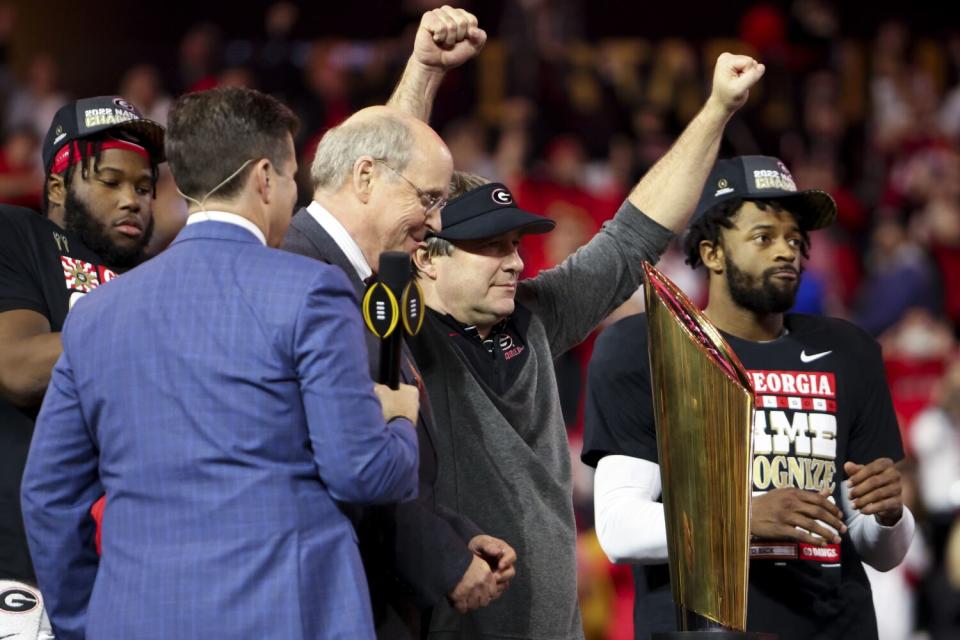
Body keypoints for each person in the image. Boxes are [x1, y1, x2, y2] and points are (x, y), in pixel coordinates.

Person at [20, 86, 421, 640]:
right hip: (288, 615)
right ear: (264, 177)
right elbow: (362, 472)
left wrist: (87, 623)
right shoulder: (312, 291)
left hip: (135, 619)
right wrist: (402, 421)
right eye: (290, 180)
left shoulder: (94, 316)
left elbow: (48, 497)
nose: (292, 196)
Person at [405, 52, 766, 639]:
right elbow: (367, 208)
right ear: (425, 257)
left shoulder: (539, 315)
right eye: (490, 247)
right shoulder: (393, 333)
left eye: (517, 244)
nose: (516, 262)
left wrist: (717, 108)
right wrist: (423, 71)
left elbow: (636, 236)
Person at [583, 155, 916, 640]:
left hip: (835, 624)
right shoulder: (649, 345)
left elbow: (882, 553)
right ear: (712, 253)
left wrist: (888, 517)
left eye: (795, 240)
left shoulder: (849, 351)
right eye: (763, 237)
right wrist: (746, 517)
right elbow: (618, 528)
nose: (787, 252)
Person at [281, 7, 515, 637]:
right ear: (364, 181)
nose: (436, 222)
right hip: (327, 600)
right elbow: (352, 464)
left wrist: (454, 537)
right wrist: (441, 561)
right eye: (430, 200)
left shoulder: (352, 275)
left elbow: (388, 146)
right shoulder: (309, 279)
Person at [0, 95, 164, 638]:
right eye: (111, 181)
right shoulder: (18, 236)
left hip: (127, 571)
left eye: (144, 188)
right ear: (57, 188)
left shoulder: (154, 278)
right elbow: (19, 368)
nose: (133, 201)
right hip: (23, 572)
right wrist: (145, 314)